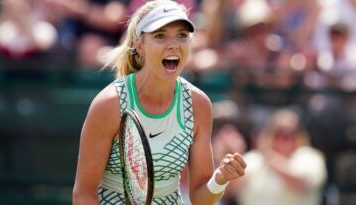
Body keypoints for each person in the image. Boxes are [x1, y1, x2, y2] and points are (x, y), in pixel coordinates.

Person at [72, 0, 247, 204]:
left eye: (182, 35)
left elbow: (200, 197)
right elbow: (83, 194)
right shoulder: (109, 104)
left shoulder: (198, 104)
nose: (173, 44)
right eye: (160, 36)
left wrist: (220, 179)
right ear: (140, 46)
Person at [234, 109, 327, 205]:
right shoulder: (252, 159)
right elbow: (231, 191)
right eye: (279, 132)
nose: (285, 137)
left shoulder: (310, 157)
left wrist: (269, 157)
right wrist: (233, 155)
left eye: (291, 133)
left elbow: (301, 185)